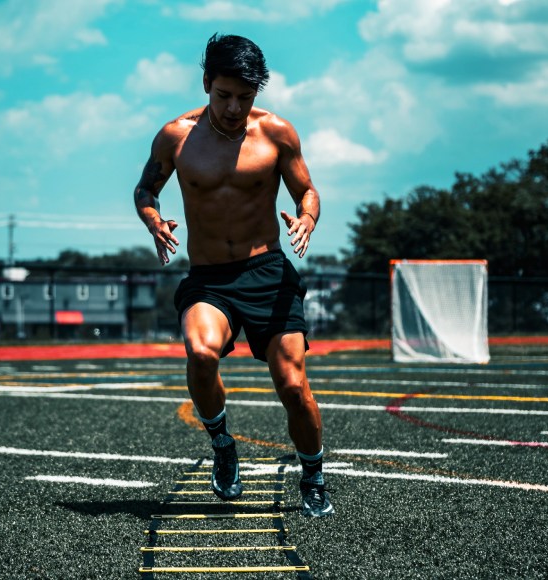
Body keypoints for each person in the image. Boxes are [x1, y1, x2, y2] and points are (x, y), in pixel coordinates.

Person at [134, 33, 334, 517]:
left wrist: (306, 219)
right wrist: (153, 221)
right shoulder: (175, 135)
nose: (233, 108)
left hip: (267, 271)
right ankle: (223, 445)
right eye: (224, 95)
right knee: (200, 352)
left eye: (245, 98)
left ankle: (313, 473)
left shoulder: (277, 133)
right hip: (208, 277)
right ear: (207, 84)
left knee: (291, 384)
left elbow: (307, 192)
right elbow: (145, 188)